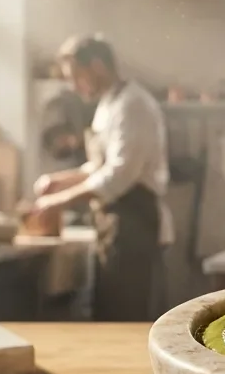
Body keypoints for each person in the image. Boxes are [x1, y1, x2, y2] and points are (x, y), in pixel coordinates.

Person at [28, 35, 171, 321]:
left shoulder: (133, 105)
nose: (73, 86)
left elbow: (118, 176)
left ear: (97, 66)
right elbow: (97, 166)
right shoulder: (107, 106)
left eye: (76, 76)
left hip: (135, 223)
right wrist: (58, 181)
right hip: (113, 223)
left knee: (127, 316)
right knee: (110, 311)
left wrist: (58, 201)